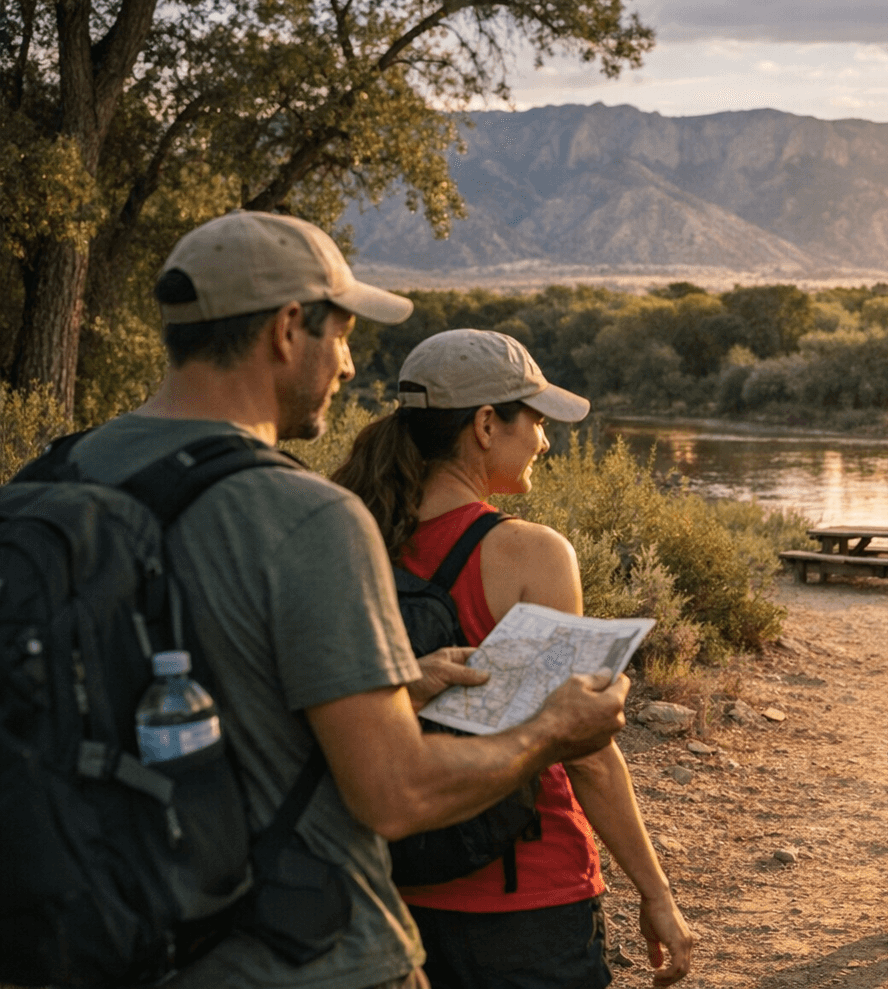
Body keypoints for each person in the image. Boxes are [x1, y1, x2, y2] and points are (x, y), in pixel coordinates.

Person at [66, 210, 629, 989]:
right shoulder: (305, 516)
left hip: (90, 924)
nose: (348, 362)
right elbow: (395, 794)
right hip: (285, 943)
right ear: (287, 329)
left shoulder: (53, 481)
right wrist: (552, 730)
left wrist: (400, 685)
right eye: (341, 334)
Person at [331, 327, 693, 989]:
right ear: (486, 425)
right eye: (537, 421)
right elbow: (583, 752)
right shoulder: (530, 553)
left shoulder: (349, 538)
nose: (545, 442)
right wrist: (656, 891)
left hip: (388, 894)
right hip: (526, 901)